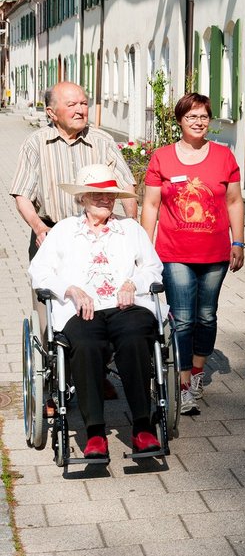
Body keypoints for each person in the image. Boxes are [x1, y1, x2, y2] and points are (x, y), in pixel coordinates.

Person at [11, 81, 137, 401]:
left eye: (84, 102)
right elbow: (22, 195)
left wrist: (131, 230)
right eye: (72, 104)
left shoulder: (102, 141)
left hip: (99, 236)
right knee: (50, 310)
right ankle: (53, 383)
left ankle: (95, 369)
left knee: (105, 301)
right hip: (52, 234)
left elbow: (128, 186)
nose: (81, 109)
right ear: (52, 113)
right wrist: (39, 228)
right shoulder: (35, 143)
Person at [28, 164, 164, 459]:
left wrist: (134, 282)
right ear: (82, 199)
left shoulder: (130, 229)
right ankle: (95, 433)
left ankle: (143, 428)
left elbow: (154, 268)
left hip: (126, 306)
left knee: (136, 336)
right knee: (86, 342)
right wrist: (70, 289)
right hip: (81, 310)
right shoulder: (64, 230)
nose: (105, 200)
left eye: (110, 195)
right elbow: (38, 271)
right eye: (97, 195)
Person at [141, 92, 245, 416]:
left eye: (203, 116)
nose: (198, 122)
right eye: (191, 117)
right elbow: (151, 204)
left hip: (215, 254)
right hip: (174, 252)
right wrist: (144, 248)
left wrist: (238, 242)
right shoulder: (162, 158)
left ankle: (198, 370)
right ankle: (183, 382)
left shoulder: (224, 157)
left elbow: (234, 202)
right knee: (183, 318)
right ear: (180, 121)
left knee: (207, 316)